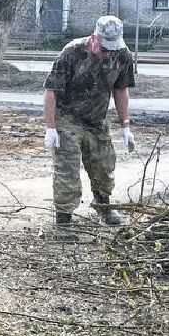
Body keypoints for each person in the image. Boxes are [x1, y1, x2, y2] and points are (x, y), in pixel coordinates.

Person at [43, 15, 137, 229]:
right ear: (94, 38)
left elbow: (121, 90)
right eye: (105, 47)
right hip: (67, 118)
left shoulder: (122, 55)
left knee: (103, 166)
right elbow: (51, 90)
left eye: (112, 47)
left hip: (97, 120)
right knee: (67, 169)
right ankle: (64, 220)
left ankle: (103, 208)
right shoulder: (72, 52)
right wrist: (50, 127)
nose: (108, 52)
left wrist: (125, 126)